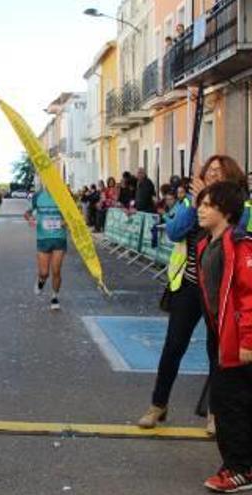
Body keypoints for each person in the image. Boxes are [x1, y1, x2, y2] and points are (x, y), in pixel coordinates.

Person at [137, 155, 246, 431]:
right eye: (209, 171)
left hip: (222, 291)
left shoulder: (241, 205)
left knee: (217, 352)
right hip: (188, 286)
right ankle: (158, 405)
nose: (213, 176)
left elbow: (240, 235)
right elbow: (173, 231)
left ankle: (215, 412)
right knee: (173, 346)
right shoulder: (193, 201)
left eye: (219, 172)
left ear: (231, 175)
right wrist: (195, 203)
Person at [193, 181, 252, 493]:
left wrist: (246, 341)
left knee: (231, 406)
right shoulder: (206, 244)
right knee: (228, 403)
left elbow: (249, 296)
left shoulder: (239, 245)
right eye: (200, 203)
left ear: (226, 211)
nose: (200, 208)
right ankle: (239, 466)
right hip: (222, 338)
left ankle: (239, 470)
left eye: (208, 204)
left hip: (238, 343)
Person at [24, 183, 68, 310]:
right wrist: (30, 219)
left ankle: (54, 297)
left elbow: (72, 214)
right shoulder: (37, 196)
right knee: (44, 273)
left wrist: (65, 221)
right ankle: (41, 281)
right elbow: (27, 213)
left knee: (56, 271)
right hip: (43, 238)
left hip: (59, 238)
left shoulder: (63, 196)